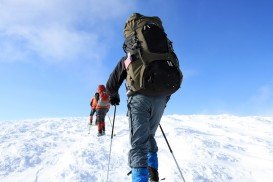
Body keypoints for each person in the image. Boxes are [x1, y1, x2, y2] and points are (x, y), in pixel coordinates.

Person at [106, 13, 182, 182]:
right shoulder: (164, 53)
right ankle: (153, 174)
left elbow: (111, 84)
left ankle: (140, 178)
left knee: (139, 143)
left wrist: (114, 96)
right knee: (149, 137)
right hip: (161, 97)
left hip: (139, 98)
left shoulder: (130, 57)